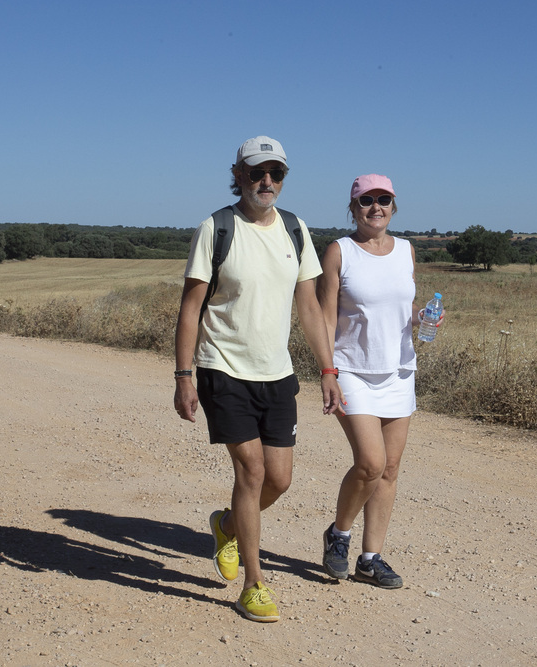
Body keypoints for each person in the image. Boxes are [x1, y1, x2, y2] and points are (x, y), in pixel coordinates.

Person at [174, 136, 342, 622]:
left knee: (280, 480)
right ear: (238, 174)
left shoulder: (295, 229)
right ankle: (253, 583)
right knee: (250, 472)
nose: (266, 181)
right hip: (223, 367)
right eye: (256, 172)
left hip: (278, 373)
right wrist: (184, 376)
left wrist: (327, 370)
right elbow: (190, 308)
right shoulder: (217, 228)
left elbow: (309, 306)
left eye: (276, 173)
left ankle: (227, 525)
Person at [317, 174, 440, 589]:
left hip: (399, 370)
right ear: (353, 208)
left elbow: (403, 308)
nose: (376, 208)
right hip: (351, 370)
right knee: (370, 462)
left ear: (394, 206)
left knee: (389, 469)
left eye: (383, 200)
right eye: (366, 201)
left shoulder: (406, 251)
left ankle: (370, 559)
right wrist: (327, 371)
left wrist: (423, 317)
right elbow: (325, 316)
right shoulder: (339, 252)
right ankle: (339, 535)